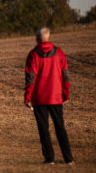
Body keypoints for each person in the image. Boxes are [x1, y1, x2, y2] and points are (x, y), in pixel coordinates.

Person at [25, 27, 74, 165]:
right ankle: (69, 158)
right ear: (49, 37)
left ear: (37, 38)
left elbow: (30, 78)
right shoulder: (58, 53)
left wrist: (27, 97)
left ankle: (49, 158)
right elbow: (65, 76)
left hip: (39, 97)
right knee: (60, 127)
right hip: (55, 96)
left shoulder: (33, 54)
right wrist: (66, 93)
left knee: (43, 128)